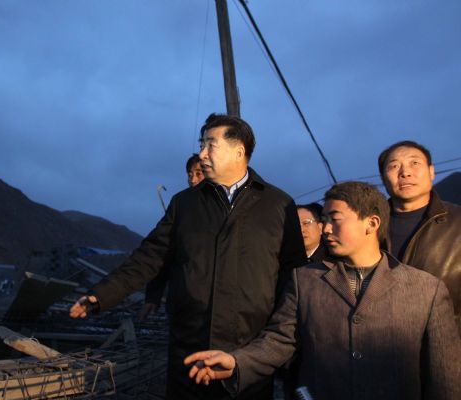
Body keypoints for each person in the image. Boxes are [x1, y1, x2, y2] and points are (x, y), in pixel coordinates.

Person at [70, 113, 306, 399]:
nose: (202, 154)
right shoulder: (185, 204)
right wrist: (101, 295)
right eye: (201, 144)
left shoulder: (278, 205)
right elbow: (149, 257)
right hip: (189, 345)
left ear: (239, 150)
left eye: (210, 145)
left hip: (248, 350)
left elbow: (294, 277)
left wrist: (280, 339)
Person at [185, 181, 460, 400]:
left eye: (335, 218)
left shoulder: (427, 289)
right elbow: (280, 340)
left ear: (372, 223)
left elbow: (445, 377)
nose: (326, 228)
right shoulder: (305, 280)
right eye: (324, 219)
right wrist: (237, 361)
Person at [378, 140, 461, 332]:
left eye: (414, 163)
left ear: (432, 172)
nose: (405, 172)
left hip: (448, 345)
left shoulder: (458, 221)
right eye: (394, 166)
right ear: (383, 178)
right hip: (381, 348)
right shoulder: (368, 227)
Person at [140, 154, 205, 321]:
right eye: (190, 174)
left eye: (199, 173)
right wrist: (153, 296)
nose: (193, 179)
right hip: (182, 306)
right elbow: (162, 252)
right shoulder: (180, 207)